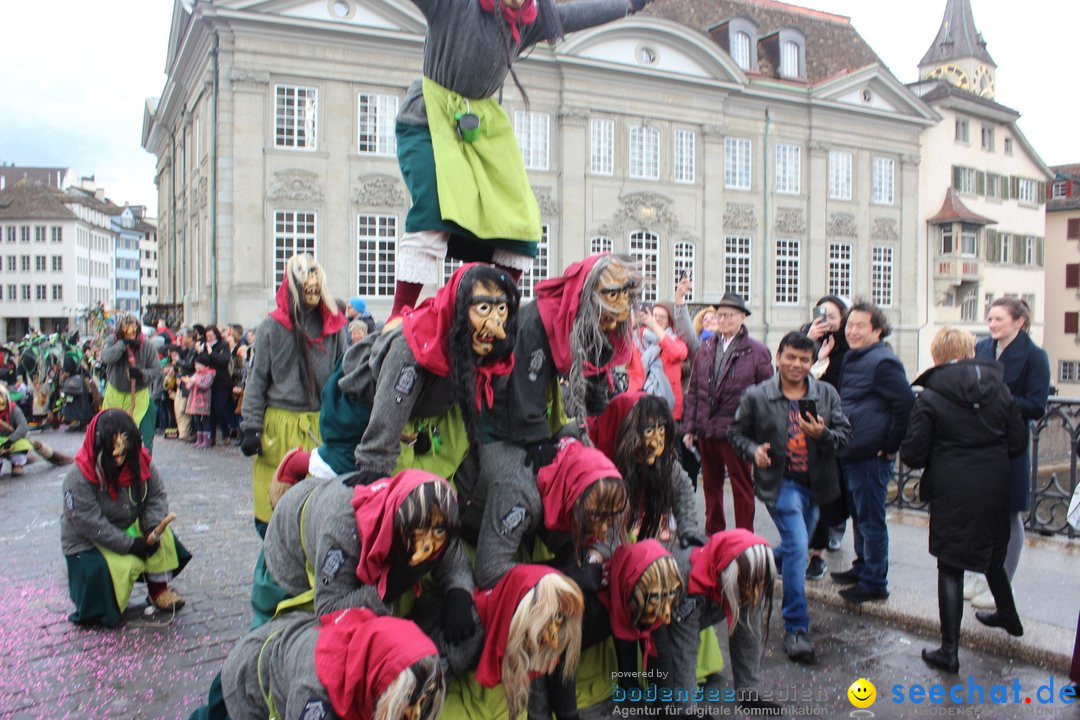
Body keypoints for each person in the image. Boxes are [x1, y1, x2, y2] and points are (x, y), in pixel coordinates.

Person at [387, 0, 655, 317]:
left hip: (479, 129)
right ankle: (398, 314)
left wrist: (630, 4)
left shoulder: (528, 21)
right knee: (432, 211)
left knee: (522, 225)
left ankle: (494, 305)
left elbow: (576, 14)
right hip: (427, 120)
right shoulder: (456, 6)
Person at [900, 327, 1028, 674]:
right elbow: (1018, 444)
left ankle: (949, 651)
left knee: (951, 565)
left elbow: (912, 453)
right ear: (972, 353)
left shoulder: (930, 396)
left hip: (952, 485)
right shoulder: (1000, 391)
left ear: (937, 359)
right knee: (993, 554)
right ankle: (1009, 617)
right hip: (995, 482)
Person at [727, 332, 851, 662]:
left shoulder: (826, 394)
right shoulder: (758, 396)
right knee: (798, 547)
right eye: (790, 357)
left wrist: (822, 433)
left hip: (817, 484)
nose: (796, 365)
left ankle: (752, 563)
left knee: (794, 549)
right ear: (779, 357)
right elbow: (735, 433)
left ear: (812, 363)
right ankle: (796, 628)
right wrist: (754, 451)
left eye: (804, 360)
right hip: (780, 484)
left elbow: (843, 436)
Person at [240, 254, 346, 536]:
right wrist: (251, 426)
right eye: (305, 278)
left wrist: (348, 422)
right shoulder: (270, 328)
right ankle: (275, 568)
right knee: (272, 510)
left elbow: (345, 378)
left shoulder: (334, 327)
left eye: (315, 278)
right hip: (279, 426)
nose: (312, 284)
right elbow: (257, 379)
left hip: (319, 426)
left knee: (317, 508)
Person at [60, 409, 191, 626]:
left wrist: (151, 527)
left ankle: (159, 590)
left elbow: (157, 496)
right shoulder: (78, 477)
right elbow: (90, 524)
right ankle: (108, 600)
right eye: (114, 455)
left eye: (124, 454)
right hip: (89, 541)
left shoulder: (141, 462)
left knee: (163, 537)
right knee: (123, 566)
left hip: (128, 525)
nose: (120, 460)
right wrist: (130, 545)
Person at [968, 297, 1050, 611]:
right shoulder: (983, 348)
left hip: (1011, 443)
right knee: (979, 510)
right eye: (989, 319)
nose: (991, 324)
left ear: (1019, 322)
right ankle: (978, 575)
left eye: (998, 319)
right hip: (981, 440)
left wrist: (1000, 399)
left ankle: (1001, 583)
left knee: (1009, 513)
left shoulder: (1034, 356)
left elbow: (1037, 404)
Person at [219, 608, 445, 720]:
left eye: (421, 701)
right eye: (407, 700)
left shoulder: (371, 650)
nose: (416, 713)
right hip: (250, 682)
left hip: (289, 646)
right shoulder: (315, 694)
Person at [831, 301, 914, 604]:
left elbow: (905, 404)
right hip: (852, 449)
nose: (851, 331)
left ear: (877, 330)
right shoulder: (856, 357)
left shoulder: (882, 361)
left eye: (859, 326)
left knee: (870, 518)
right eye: (849, 325)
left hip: (870, 454)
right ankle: (863, 566)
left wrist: (889, 445)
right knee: (858, 513)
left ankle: (875, 580)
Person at [655, 529, 778, 714]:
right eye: (750, 586)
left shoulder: (752, 576)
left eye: (760, 584)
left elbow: (747, 635)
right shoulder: (689, 580)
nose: (755, 595)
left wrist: (749, 692)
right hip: (657, 620)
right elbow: (684, 647)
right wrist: (688, 711)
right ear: (729, 575)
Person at [681, 292, 772, 533]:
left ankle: (744, 537)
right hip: (707, 428)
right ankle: (715, 534)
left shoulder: (756, 351)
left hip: (737, 431)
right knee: (711, 486)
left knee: (742, 486)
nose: (724, 320)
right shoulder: (706, 347)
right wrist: (689, 427)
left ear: (742, 317)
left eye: (730, 315)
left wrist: (759, 431)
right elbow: (695, 390)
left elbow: (767, 394)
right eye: (720, 315)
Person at [799, 295, 850, 581]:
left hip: (832, 427)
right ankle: (812, 549)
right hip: (804, 424)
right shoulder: (808, 339)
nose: (825, 321)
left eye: (831, 315)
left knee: (831, 490)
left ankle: (829, 536)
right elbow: (791, 370)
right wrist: (810, 342)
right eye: (821, 314)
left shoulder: (846, 349)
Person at [100, 313, 161, 452]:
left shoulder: (147, 346)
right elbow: (106, 357)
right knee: (112, 432)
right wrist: (122, 345)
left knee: (139, 434)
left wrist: (141, 374)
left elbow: (156, 370)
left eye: (133, 330)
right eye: (126, 330)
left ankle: (139, 465)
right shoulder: (112, 341)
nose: (130, 333)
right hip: (115, 394)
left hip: (139, 396)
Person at [195, 325, 234, 447]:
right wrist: (201, 352)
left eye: (211, 336)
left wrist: (211, 353)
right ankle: (211, 437)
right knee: (210, 410)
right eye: (207, 336)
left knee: (220, 409)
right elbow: (202, 362)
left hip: (221, 382)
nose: (209, 338)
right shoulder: (204, 346)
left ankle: (226, 433)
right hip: (208, 382)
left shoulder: (223, 345)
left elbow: (223, 361)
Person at [0, 384, 33, 476]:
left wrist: (10, 440)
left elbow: (23, 428)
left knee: (17, 472)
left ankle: (17, 464)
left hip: (13, 441)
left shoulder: (14, 409)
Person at [183, 359, 215, 448]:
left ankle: (207, 440)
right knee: (197, 421)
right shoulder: (196, 374)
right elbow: (189, 386)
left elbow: (206, 386)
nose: (195, 367)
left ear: (203, 366)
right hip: (194, 401)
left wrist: (195, 382)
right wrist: (188, 382)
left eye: (197, 365)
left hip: (203, 402)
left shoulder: (209, 374)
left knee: (205, 421)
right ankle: (199, 440)